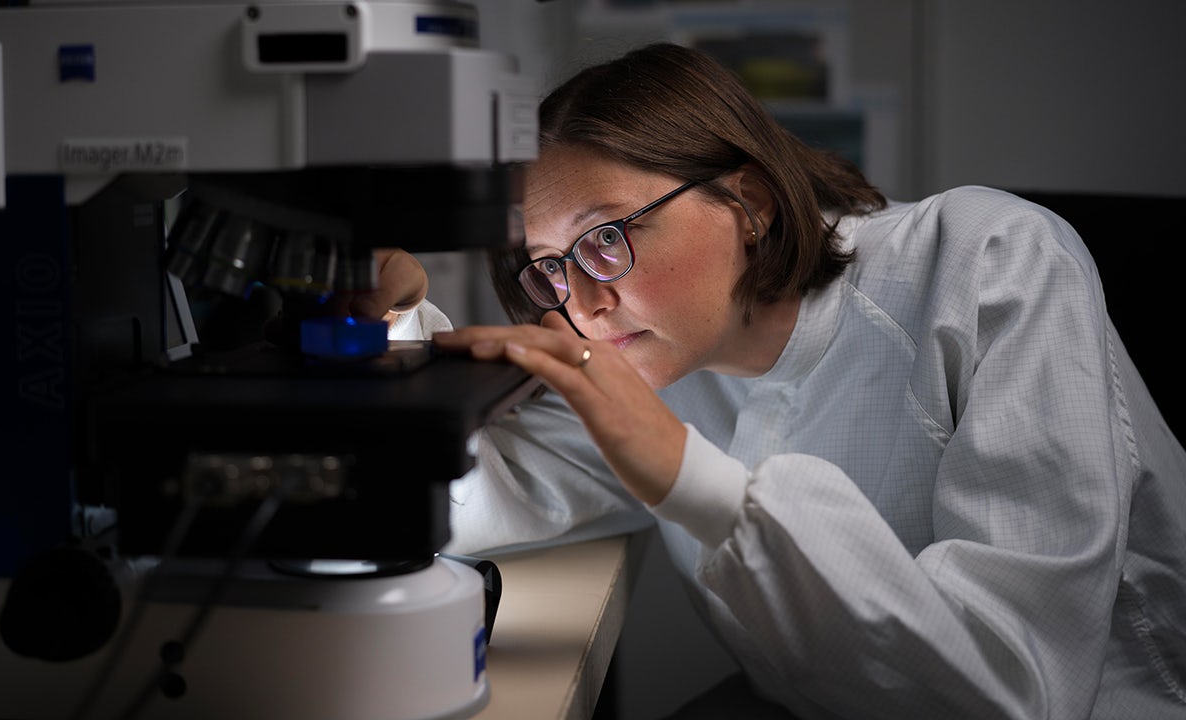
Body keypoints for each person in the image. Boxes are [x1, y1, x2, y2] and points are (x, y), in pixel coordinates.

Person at [369, 43, 1186, 718]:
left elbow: (1019, 686)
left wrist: (685, 470)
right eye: (546, 266)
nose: (579, 302)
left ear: (747, 200)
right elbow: (473, 497)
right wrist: (394, 325)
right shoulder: (655, 355)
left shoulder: (987, 261)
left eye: (605, 238)